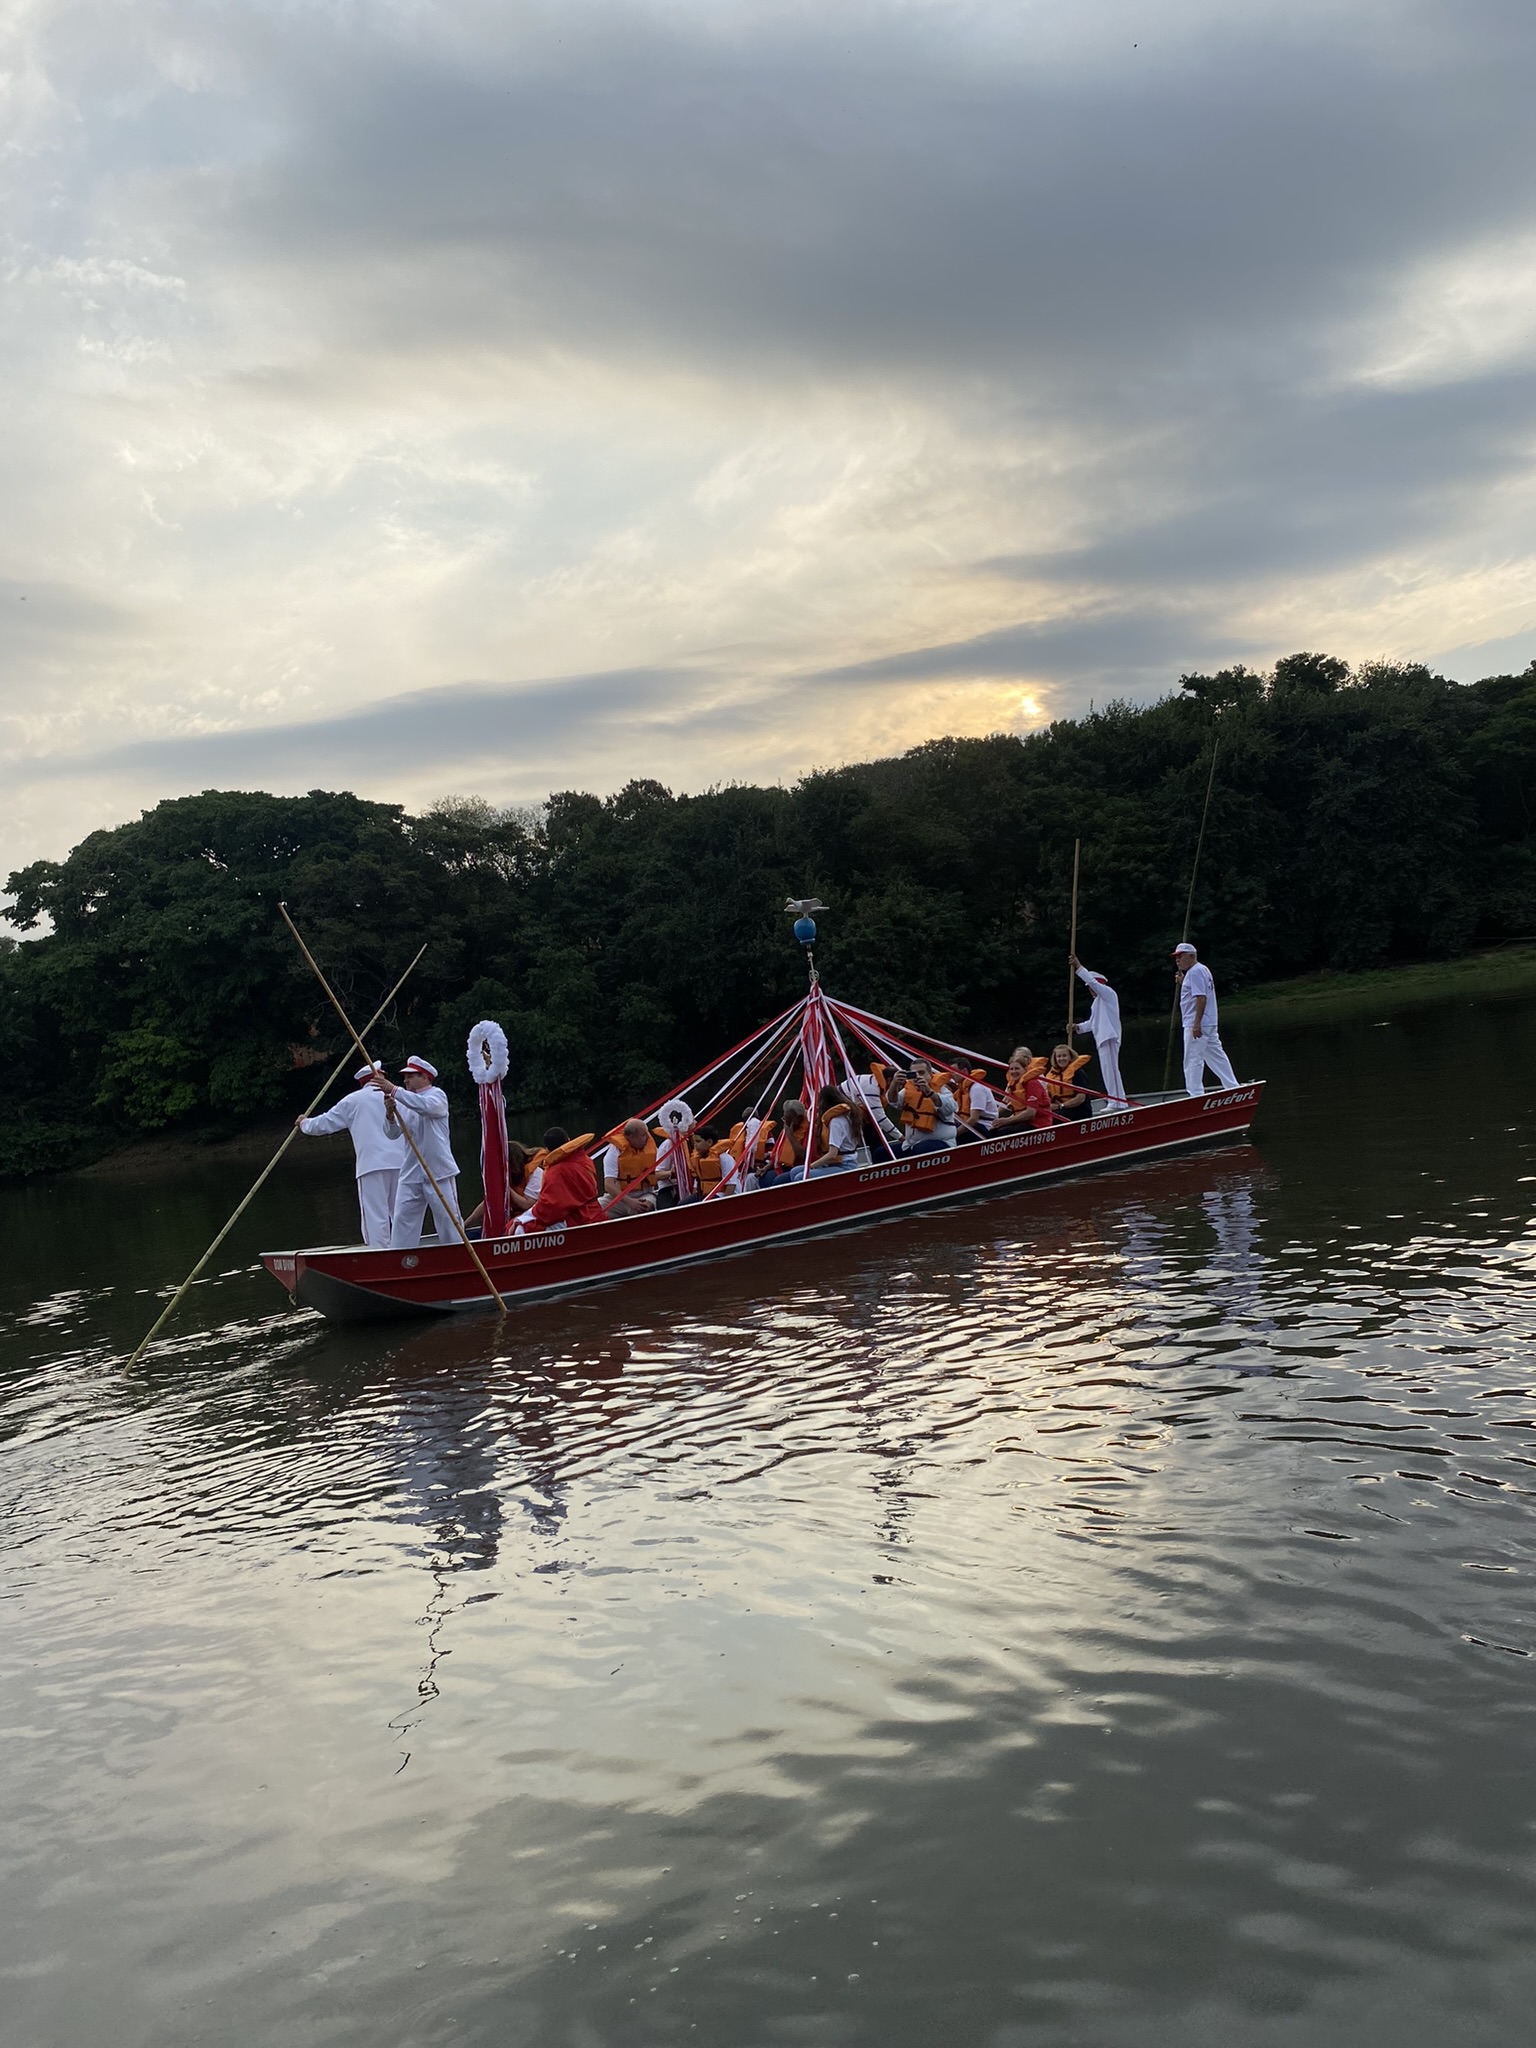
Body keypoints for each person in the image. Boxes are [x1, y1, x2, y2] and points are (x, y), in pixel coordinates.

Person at [293, 1062, 405, 1246]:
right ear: (381, 1075)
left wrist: (304, 1123)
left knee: (375, 1216)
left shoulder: (353, 1100)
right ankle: (405, 1249)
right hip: (400, 1163)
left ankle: (380, 1254)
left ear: (362, 1082)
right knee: (401, 1213)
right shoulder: (398, 1097)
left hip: (371, 1166)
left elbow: (324, 1123)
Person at [376, 1056, 463, 1249]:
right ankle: (400, 1257)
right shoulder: (406, 1101)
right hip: (411, 1171)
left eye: (410, 1076)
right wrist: (389, 1114)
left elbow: (425, 1107)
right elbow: (392, 1134)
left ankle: (458, 1254)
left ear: (424, 1077)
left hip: (438, 1170)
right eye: (404, 1077)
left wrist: (394, 1090)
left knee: (448, 1220)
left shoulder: (437, 1095)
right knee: (402, 1220)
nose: (405, 1080)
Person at [1173, 940, 1240, 1094]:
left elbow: (1201, 998)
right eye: (1176, 957)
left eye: (1181, 956)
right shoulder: (1202, 970)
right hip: (1208, 1022)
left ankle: (1195, 1094)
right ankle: (1233, 1087)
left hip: (1196, 1024)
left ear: (1191, 956)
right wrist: (1184, 983)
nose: (1177, 960)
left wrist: (1196, 1024)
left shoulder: (1195, 972)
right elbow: (1196, 992)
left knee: (1192, 1059)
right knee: (1216, 1056)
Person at [516, 1127, 606, 1232]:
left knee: (519, 1228)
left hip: (578, 1219)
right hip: (596, 1214)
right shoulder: (585, 1160)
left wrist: (521, 1220)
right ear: (568, 1140)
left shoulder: (556, 1172)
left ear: (547, 1149)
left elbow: (549, 1210)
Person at [1071, 955, 1127, 1109]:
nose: (1090, 990)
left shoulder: (1108, 994)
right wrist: (1078, 1028)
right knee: (1107, 1071)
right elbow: (1093, 1023)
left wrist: (1079, 967)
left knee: (1112, 1070)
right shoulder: (1096, 1003)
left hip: (1109, 1037)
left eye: (1091, 987)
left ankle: (1119, 1101)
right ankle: (1113, 1099)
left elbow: (1091, 981)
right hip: (1101, 1038)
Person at [886, 1056, 957, 1152]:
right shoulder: (908, 1091)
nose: (918, 1076)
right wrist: (894, 1084)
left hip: (941, 1142)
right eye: (914, 1074)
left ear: (930, 1074)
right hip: (912, 1144)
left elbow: (950, 1108)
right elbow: (893, 1101)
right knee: (881, 1153)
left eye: (922, 1073)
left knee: (920, 1149)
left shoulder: (943, 1090)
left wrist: (929, 1092)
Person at [597, 1120, 658, 1213]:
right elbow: (608, 1185)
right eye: (643, 1135)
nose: (647, 1138)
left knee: (642, 1207)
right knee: (595, 1209)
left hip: (646, 1195)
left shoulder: (652, 1149)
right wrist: (630, 1202)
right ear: (631, 1137)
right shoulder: (614, 1153)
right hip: (621, 1199)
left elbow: (661, 1170)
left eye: (647, 1134)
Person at [991, 1046, 1053, 1132]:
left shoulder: (1033, 1082)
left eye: (1017, 1068)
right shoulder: (1013, 1084)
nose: (1013, 1071)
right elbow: (1005, 1102)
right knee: (993, 1130)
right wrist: (992, 1117)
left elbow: (1031, 1113)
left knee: (1003, 1131)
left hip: (1036, 1124)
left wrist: (1006, 1121)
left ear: (1025, 1069)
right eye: (1011, 1069)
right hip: (1021, 1119)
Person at [807, 1086, 860, 1175]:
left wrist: (810, 1166)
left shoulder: (836, 1122)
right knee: (795, 1171)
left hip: (844, 1165)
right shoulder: (846, 1116)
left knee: (800, 1176)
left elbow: (832, 1154)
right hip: (835, 1163)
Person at [758, 1099, 810, 1185]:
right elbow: (776, 1155)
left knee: (778, 1181)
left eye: (788, 1119)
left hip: (800, 1168)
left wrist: (790, 1136)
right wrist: (765, 1168)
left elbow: (804, 1155)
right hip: (783, 1167)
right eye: (784, 1119)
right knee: (764, 1178)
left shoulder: (809, 1130)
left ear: (799, 1118)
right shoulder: (786, 1129)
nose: (786, 1122)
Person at [1044, 1043, 1093, 1120]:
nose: (1061, 1059)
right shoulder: (1051, 1075)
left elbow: (1081, 1098)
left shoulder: (1077, 1073)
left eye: (1064, 1056)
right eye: (1059, 1056)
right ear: (1055, 1059)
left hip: (1079, 1110)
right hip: (1059, 1109)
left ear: (1070, 1057)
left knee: (1052, 1118)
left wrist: (1061, 1106)